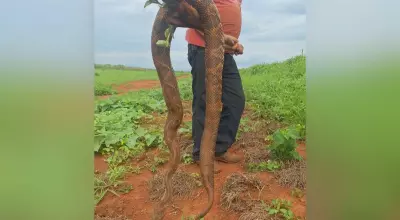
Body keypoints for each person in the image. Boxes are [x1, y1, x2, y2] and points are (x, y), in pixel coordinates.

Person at [186, 0, 245, 172]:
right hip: (202, 47)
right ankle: (200, 154)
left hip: (224, 51)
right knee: (203, 99)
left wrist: (233, 44)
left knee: (236, 99)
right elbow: (191, 12)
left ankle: (219, 148)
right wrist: (219, 37)